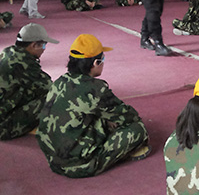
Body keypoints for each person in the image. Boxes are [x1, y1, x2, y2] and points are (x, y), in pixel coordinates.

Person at [36, 34, 150, 178]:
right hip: (80, 165)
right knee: (137, 129)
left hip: (53, 160)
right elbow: (128, 116)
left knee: (101, 117)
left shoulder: (60, 82)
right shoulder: (95, 89)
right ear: (96, 62)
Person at [0, 24, 57, 140]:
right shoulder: (24, 63)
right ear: (34, 45)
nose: (44, 49)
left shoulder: (8, 52)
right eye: (44, 45)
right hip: (3, 126)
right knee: (54, 98)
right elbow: (50, 88)